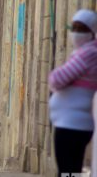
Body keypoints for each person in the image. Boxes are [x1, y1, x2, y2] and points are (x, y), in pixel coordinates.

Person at [49, 9, 97, 176]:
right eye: (74, 28)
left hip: (72, 124)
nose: (76, 33)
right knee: (70, 171)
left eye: (81, 29)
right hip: (71, 122)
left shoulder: (88, 53)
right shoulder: (86, 53)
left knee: (67, 170)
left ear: (91, 32)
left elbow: (56, 79)